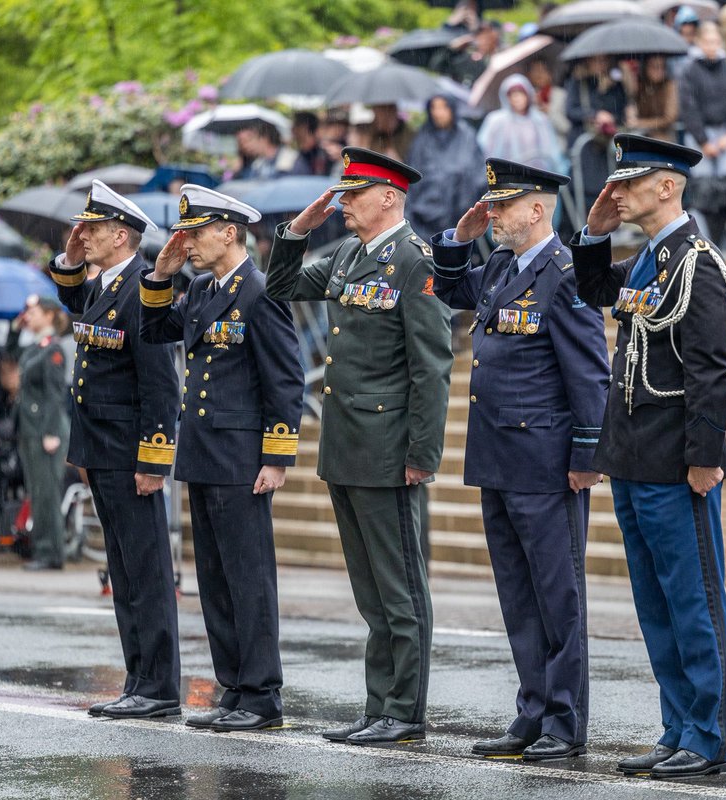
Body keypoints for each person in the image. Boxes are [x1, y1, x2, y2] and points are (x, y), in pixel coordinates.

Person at [265, 148, 452, 746]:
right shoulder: (348, 252)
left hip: (389, 448)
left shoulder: (413, 262)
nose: (343, 203)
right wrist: (297, 231)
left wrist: (423, 454)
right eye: (343, 194)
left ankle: (405, 710)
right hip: (347, 444)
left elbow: (432, 368)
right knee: (371, 592)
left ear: (390, 198)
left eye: (354, 194)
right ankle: (379, 707)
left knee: (400, 588)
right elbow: (282, 284)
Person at [571, 134, 726, 779]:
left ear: (667, 185)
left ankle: (708, 735)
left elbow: (710, 371)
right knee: (655, 602)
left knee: (694, 599)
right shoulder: (648, 259)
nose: (618, 192)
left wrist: (705, 458)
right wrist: (592, 231)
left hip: (676, 460)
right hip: (634, 455)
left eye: (629, 183)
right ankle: (677, 726)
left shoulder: (697, 263)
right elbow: (591, 289)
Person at [430, 159, 609, 761]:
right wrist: (458, 238)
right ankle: (532, 711)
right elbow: (453, 288)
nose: (495, 215)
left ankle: (564, 721)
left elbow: (589, 373)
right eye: (493, 204)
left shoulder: (565, 274)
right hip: (498, 455)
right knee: (517, 595)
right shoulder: (504, 265)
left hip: (546, 460)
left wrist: (588, 455)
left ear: (538, 209)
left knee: (559, 597)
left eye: (504, 206)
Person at [139, 186, 304, 732]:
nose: (185, 242)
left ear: (228, 232)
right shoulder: (204, 289)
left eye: (196, 232)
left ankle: (262, 694)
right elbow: (156, 328)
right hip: (204, 454)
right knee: (214, 578)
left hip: (240, 457)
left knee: (249, 578)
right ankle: (233, 685)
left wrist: (277, 455)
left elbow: (285, 377)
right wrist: (160, 277)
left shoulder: (259, 291)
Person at [48, 180, 182, 720]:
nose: (86, 234)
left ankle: (159, 687)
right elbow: (72, 296)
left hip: (130, 454)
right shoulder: (105, 285)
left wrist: (154, 460)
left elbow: (160, 385)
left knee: (147, 573)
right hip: (102, 448)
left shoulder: (140, 290)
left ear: (122, 235)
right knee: (123, 574)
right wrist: (71, 257)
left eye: (96, 229)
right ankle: (138, 680)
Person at [6, 293, 71, 570]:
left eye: (33, 312)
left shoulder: (52, 349)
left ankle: (51, 553)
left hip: (47, 430)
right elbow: (11, 353)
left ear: (48, 315)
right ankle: (42, 548)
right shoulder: (35, 347)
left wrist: (51, 432)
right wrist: (14, 329)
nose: (27, 316)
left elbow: (55, 395)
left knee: (47, 495)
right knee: (37, 492)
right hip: (31, 429)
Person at [680, 21, 726, 247]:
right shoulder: (690, 71)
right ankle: (702, 241)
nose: (712, 46)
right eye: (707, 42)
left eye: (715, 41)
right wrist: (703, 140)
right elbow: (688, 107)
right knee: (703, 191)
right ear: (699, 42)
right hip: (700, 136)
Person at [405, 94, 488, 241]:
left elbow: (478, 173)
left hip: (460, 213)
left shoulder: (466, 136)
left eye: (443, 107)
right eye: (434, 107)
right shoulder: (423, 139)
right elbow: (412, 177)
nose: (438, 112)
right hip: (424, 217)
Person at [479, 75, 565, 173]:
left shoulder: (539, 120)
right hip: (507, 179)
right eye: (512, 94)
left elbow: (551, 150)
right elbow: (485, 150)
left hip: (537, 178)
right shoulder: (496, 121)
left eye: (520, 93)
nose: (517, 98)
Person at [564, 56, 631, 147]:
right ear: (587, 61)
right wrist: (595, 114)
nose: (600, 64)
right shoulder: (578, 82)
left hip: (609, 140)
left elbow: (622, 113)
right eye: (594, 60)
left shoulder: (616, 85)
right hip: (584, 140)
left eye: (604, 60)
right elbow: (571, 111)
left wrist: (610, 119)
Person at [626, 56, 679, 142]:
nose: (659, 71)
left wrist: (641, 123)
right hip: (641, 135)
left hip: (663, 136)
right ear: (645, 68)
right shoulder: (641, 85)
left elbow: (669, 118)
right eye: (654, 67)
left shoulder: (670, 86)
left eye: (662, 67)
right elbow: (633, 106)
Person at [235, 121, 299, 180]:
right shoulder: (257, 164)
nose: (244, 146)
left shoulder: (291, 159)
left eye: (248, 140)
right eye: (240, 143)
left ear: (264, 138)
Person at [292, 112, 335, 177]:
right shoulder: (298, 153)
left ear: (304, 127)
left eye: (295, 125)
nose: (292, 129)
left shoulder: (325, 154)